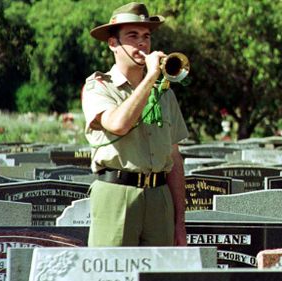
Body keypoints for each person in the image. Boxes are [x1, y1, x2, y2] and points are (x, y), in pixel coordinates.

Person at [81, 2, 188, 247]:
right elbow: (118, 124)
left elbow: (174, 157)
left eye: (146, 36)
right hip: (117, 193)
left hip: (159, 196)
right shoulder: (98, 86)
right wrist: (151, 76)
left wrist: (179, 223)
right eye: (132, 36)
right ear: (113, 44)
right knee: (112, 271)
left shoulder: (164, 93)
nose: (142, 43)